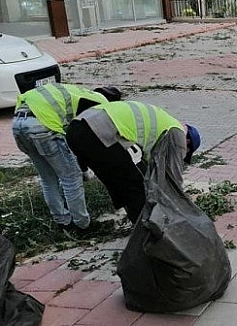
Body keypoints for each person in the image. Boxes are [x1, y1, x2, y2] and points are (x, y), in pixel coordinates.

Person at [65, 101, 201, 224]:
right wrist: (183, 212)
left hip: (75, 131)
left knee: (120, 183)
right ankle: (148, 232)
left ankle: (140, 226)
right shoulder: (178, 134)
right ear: (187, 141)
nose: (181, 155)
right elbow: (173, 180)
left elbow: (147, 168)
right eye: (185, 153)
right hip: (97, 130)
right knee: (136, 186)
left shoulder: (163, 124)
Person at [12, 83, 122, 230]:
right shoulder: (100, 104)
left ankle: (62, 221)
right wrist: (83, 170)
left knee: (48, 177)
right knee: (71, 177)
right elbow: (81, 142)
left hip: (19, 123)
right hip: (43, 125)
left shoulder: (79, 93)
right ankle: (83, 225)